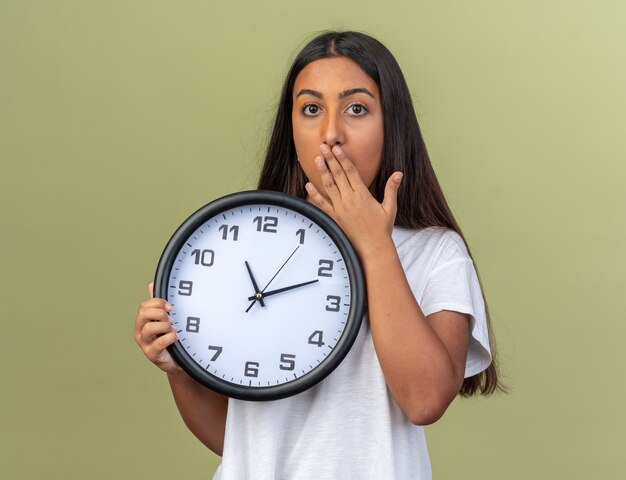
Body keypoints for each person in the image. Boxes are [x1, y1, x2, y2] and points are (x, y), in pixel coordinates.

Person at [134, 30, 504, 479]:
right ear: (291, 127)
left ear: (393, 123)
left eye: (356, 109)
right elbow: (238, 440)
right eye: (311, 109)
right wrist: (179, 370)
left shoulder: (435, 252)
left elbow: (424, 400)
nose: (331, 134)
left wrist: (373, 243)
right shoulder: (243, 238)